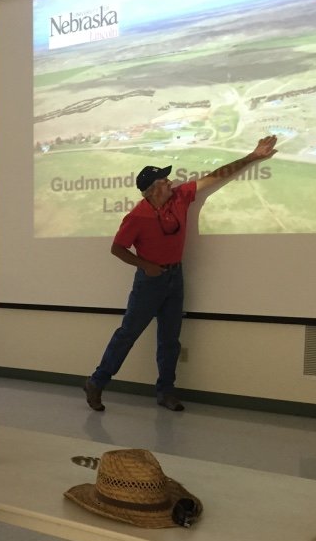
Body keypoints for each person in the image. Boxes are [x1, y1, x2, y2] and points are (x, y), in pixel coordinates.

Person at [84, 135, 279, 412]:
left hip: (176, 278)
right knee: (128, 334)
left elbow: (215, 176)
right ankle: (97, 382)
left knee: (170, 339)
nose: (169, 182)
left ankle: (165, 391)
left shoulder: (180, 198)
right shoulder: (137, 217)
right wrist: (145, 265)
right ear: (151, 191)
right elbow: (117, 248)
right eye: (163, 181)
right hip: (150, 282)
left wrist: (252, 156)